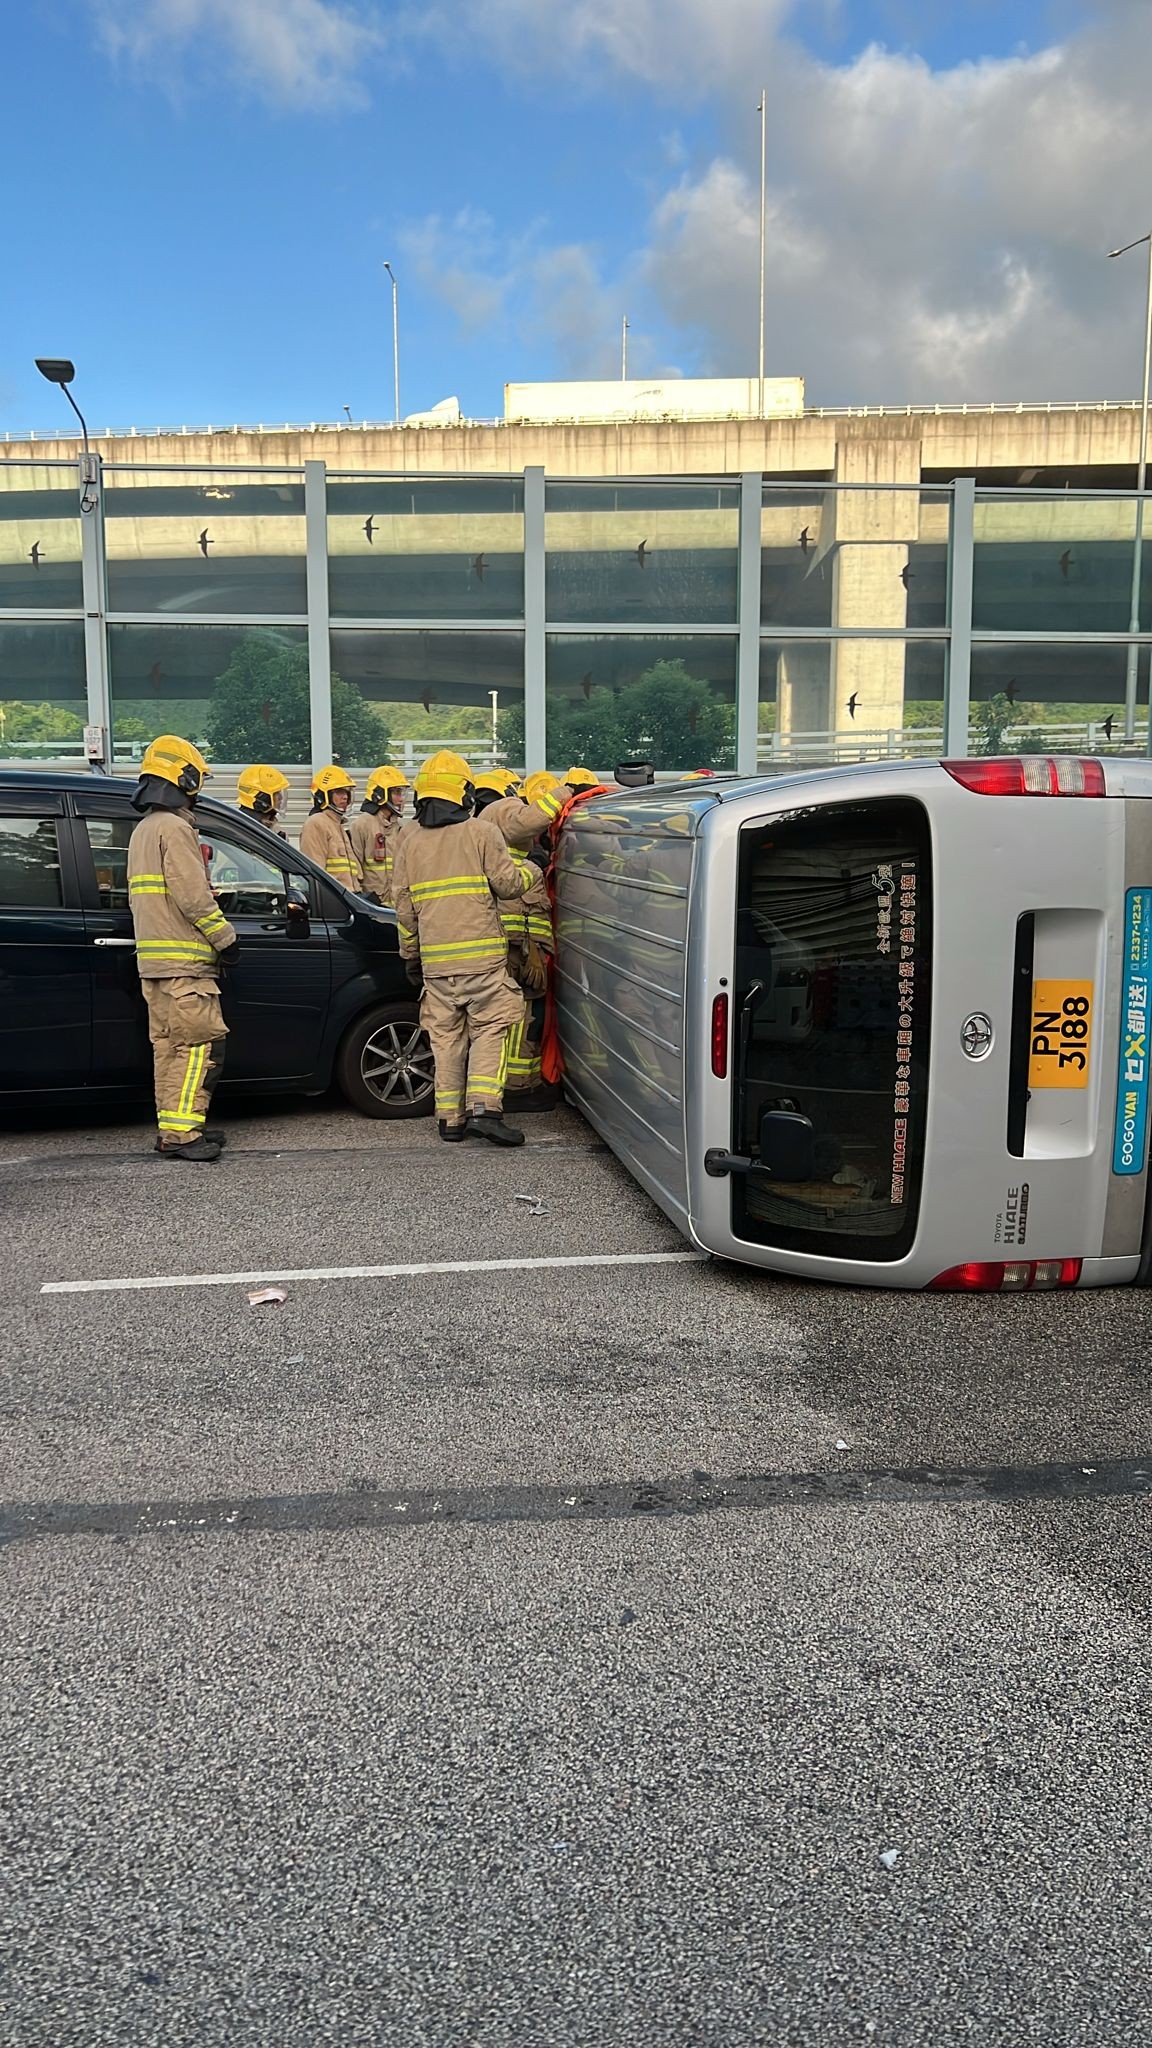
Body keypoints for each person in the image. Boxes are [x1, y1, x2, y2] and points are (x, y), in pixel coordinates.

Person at [391, 750, 534, 1147]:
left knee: (446, 1039)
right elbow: (508, 885)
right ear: (464, 793)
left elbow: (403, 907)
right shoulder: (481, 832)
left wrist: (410, 956)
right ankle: (485, 1111)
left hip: (437, 965)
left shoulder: (408, 839)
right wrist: (531, 868)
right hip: (482, 962)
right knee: (490, 1028)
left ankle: (450, 1120)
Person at [126, 734, 237, 1162]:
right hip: (185, 967)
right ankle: (185, 1134)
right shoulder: (175, 828)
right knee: (199, 1048)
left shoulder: (144, 830)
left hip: (155, 966)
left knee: (168, 1049)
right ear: (185, 779)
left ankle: (173, 1127)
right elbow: (192, 897)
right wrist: (225, 939)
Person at [473, 769, 556, 1106]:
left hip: (514, 943)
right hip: (518, 946)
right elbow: (516, 899)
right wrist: (561, 797)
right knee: (522, 1018)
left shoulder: (481, 825)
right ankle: (519, 1088)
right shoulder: (502, 813)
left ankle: (517, 1083)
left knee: (514, 1017)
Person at [348, 765, 409, 905]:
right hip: (372, 906)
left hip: (396, 906)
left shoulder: (400, 827)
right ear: (380, 794)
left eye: (402, 793)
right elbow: (354, 870)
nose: (401, 799)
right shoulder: (361, 825)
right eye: (396, 793)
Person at [300, 766, 364, 890]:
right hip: (334, 899)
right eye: (339, 792)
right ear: (324, 796)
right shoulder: (316, 823)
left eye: (347, 792)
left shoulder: (338, 824)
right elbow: (315, 873)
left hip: (349, 897)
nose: (345, 797)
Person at [236, 764, 289, 837]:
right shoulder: (242, 827)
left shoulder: (272, 825)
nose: (281, 797)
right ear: (261, 797)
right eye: (276, 793)